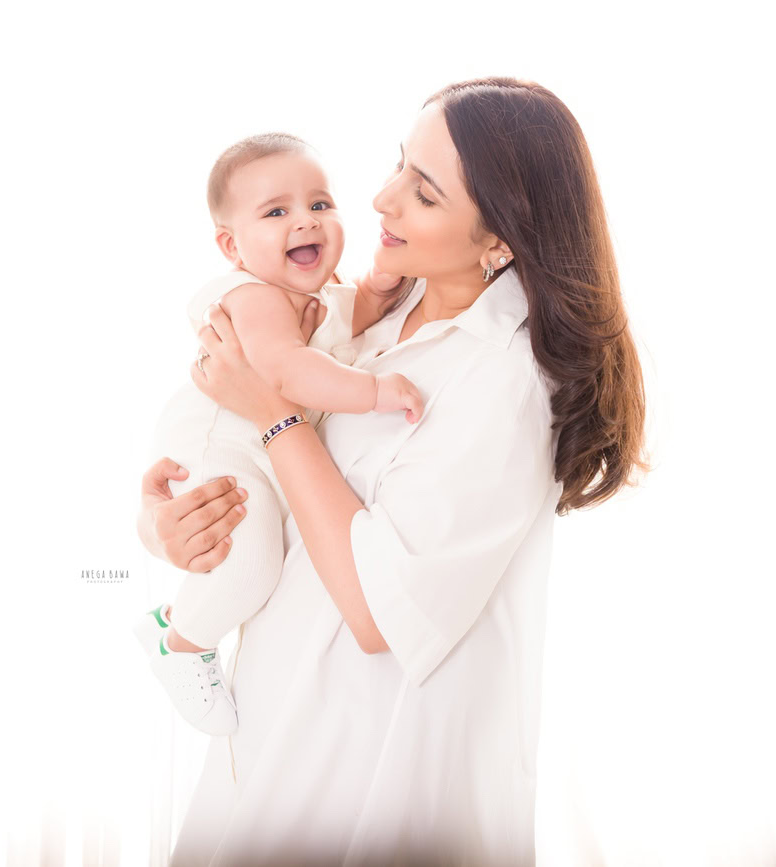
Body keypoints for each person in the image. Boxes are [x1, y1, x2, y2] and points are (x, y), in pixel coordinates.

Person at [135, 76, 649, 865]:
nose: (379, 199)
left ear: (500, 239)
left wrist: (273, 412)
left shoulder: (503, 381)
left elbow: (379, 610)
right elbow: (267, 477)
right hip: (274, 740)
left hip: (380, 783)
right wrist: (176, 525)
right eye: (397, 164)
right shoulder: (367, 311)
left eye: (424, 191)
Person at [130, 131, 423, 736]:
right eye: (276, 212)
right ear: (231, 246)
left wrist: (375, 290)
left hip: (258, 444)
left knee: (257, 558)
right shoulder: (253, 297)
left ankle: (181, 623)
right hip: (221, 443)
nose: (305, 223)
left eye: (319, 204)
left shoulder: (314, 295)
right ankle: (178, 640)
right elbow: (288, 369)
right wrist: (375, 392)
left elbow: (351, 315)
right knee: (250, 563)